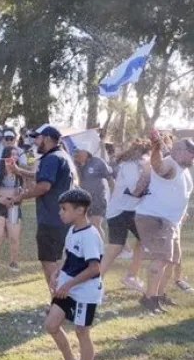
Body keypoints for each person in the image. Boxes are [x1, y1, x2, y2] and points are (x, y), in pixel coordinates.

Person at [45, 189, 103, 360]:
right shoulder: (73, 229)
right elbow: (70, 256)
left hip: (84, 292)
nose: (60, 212)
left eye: (64, 209)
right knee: (51, 325)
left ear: (80, 210)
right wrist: (57, 273)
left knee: (81, 332)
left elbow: (94, 268)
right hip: (67, 288)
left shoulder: (89, 235)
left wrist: (68, 285)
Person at [134, 131, 194, 313]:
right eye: (190, 151)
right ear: (178, 151)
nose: (193, 155)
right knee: (161, 259)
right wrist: (156, 147)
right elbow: (158, 166)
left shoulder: (184, 169)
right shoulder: (170, 162)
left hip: (170, 221)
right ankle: (149, 299)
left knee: (172, 259)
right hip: (155, 218)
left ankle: (158, 294)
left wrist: (181, 213)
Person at [17, 124, 76, 290]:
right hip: (62, 217)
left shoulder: (51, 158)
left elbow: (44, 186)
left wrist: (20, 197)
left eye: (38, 137)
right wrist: (19, 171)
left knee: (48, 261)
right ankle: (61, 299)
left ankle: (58, 300)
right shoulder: (62, 155)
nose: (35, 141)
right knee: (56, 259)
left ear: (48, 138)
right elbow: (43, 176)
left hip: (51, 218)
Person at [101, 139, 151, 292]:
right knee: (115, 248)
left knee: (144, 240)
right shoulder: (130, 166)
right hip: (119, 211)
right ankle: (96, 283)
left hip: (132, 211)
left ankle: (131, 276)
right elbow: (135, 190)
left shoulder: (139, 165)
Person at [0, 147, 25, 272]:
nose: (14, 157)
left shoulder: (20, 172)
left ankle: (13, 262)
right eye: (12, 154)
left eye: (16, 155)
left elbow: (24, 190)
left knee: (14, 236)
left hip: (13, 206)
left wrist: (16, 198)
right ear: (5, 156)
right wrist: (0, 198)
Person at [73, 147, 114, 238]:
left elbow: (110, 179)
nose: (77, 154)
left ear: (86, 152)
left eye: (79, 151)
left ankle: (100, 249)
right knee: (83, 226)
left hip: (97, 198)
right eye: (76, 152)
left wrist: (114, 195)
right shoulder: (75, 164)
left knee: (95, 224)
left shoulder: (97, 162)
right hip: (82, 200)